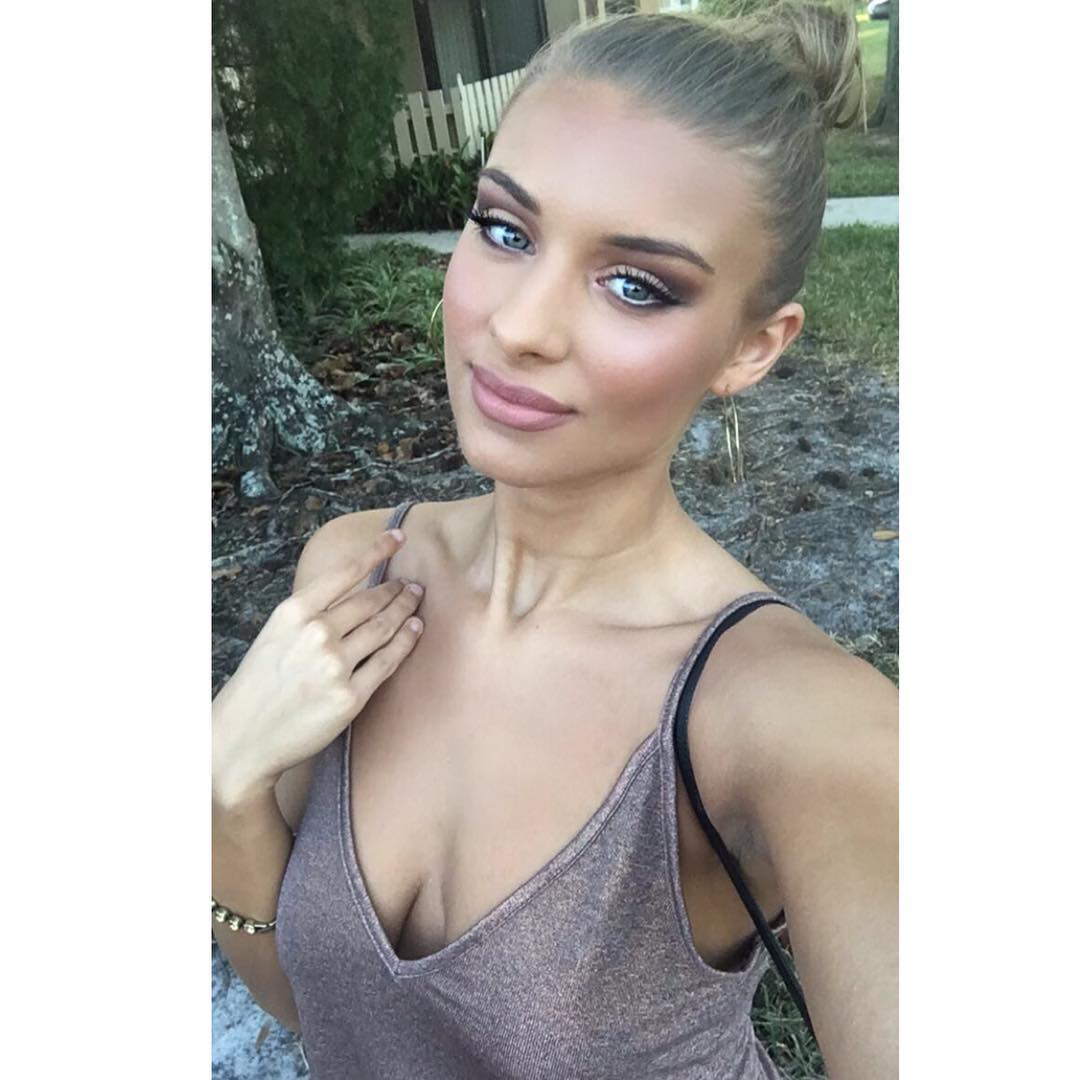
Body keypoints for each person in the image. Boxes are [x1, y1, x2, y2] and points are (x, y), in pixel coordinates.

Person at [211, 5, 898, 1078]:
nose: (521, 325)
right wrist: (224, 794)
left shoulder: (795, 721)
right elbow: (327, 1014)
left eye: (637, 285)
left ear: (753, 348)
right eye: (505, 230)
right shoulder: (355, 569)